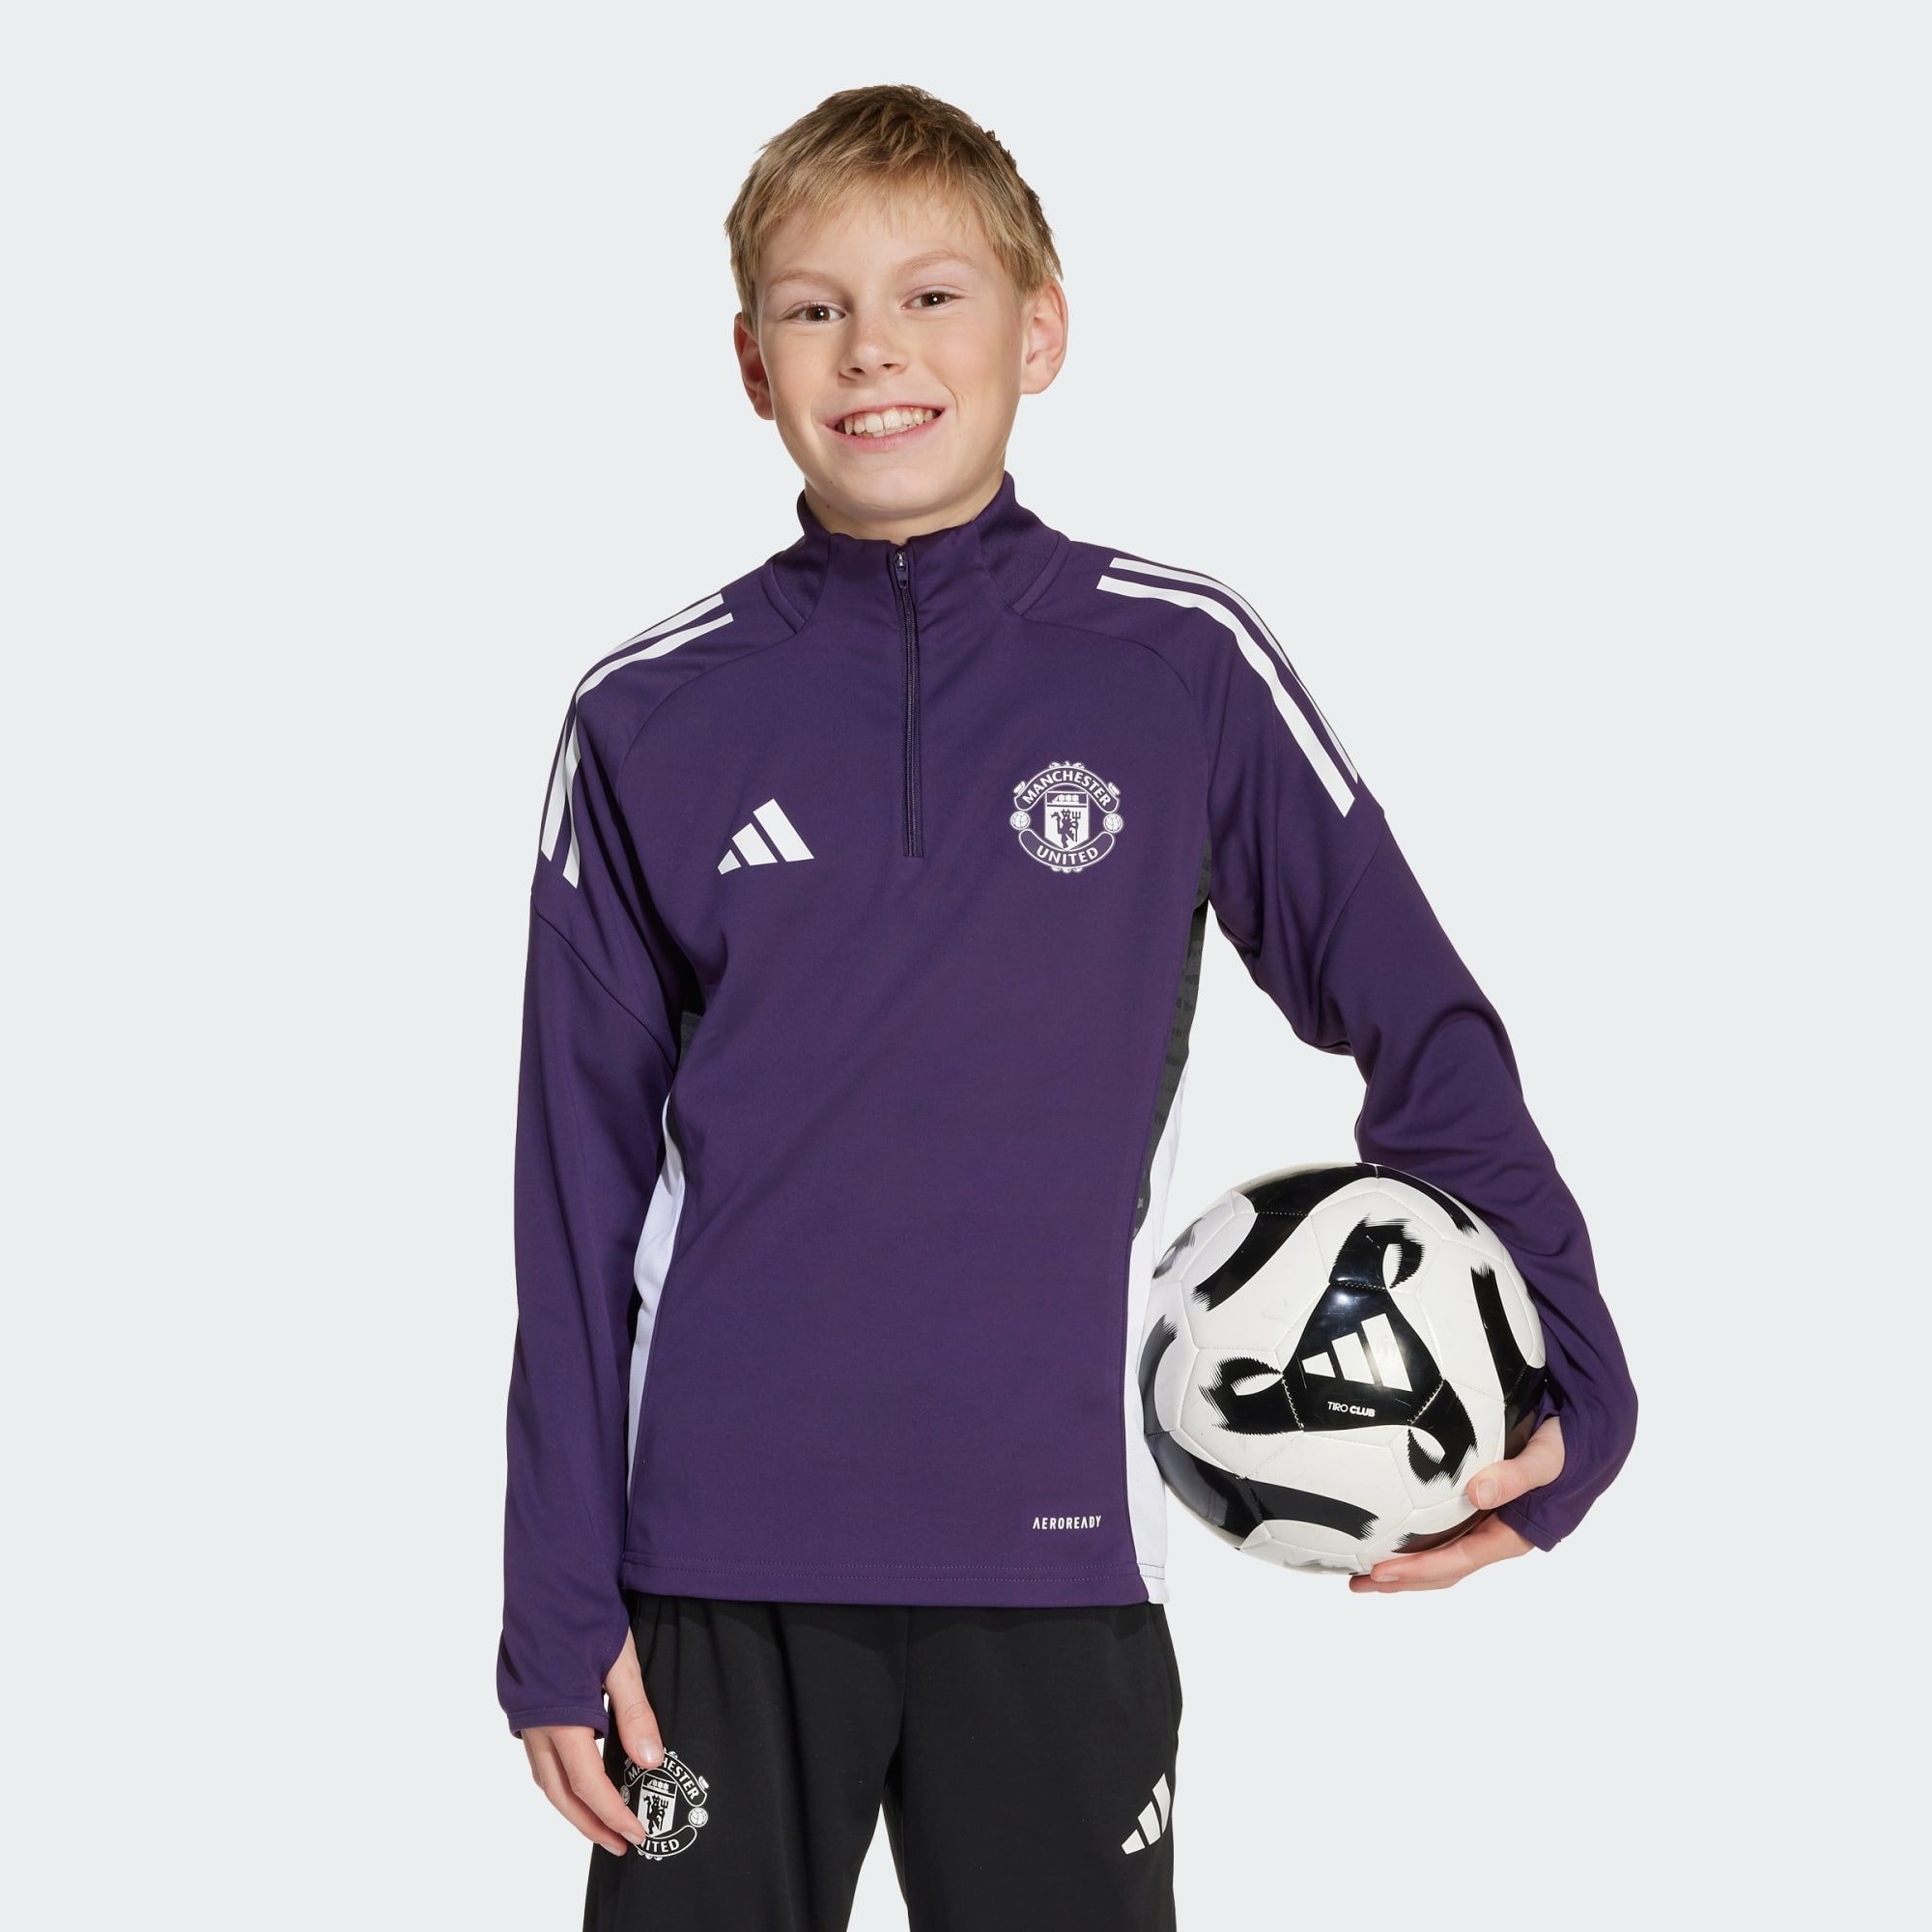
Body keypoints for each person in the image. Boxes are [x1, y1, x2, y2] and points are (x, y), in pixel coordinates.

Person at [497, 83, 1637, 1932]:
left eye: (932, 297)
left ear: (1040, 331)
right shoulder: (647, 715)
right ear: (750, 361)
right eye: (815, 308)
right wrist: (556, 1598)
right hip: (712, 1566)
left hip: (1056, 1553)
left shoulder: (1176, 667)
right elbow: (571, 1198)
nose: (874, 350)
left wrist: (1575, 1370)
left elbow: (1421, 1024)